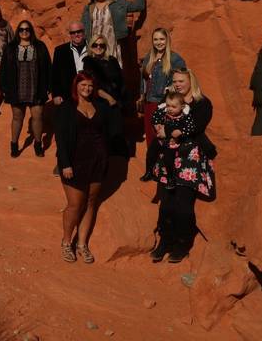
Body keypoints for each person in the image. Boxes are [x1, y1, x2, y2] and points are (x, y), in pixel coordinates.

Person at [150, 68, 217, 263]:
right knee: (166, 203)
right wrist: (160, 129)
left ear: (191, 82)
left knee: (184, 204)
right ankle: (165, 241)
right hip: (168, 158)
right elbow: (157, 120)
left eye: (182, 81)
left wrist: (167, 130)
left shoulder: (202, 103)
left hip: (189, 159)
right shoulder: (168, 100)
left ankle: (182, 243)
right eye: (176, 81)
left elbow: (194, 128)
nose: (178, 84)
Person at [55, 73, 124, 264]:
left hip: (97, 161)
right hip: (74, 162)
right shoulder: (66, 107)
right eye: (83, 85)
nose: (87, 89)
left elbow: (112, 126)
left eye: (90, 86)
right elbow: (60, 138)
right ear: (76, 86)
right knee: (75, 204)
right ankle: (67, 242)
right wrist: (65, 163)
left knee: (91, 202)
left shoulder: (100, 106)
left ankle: (82, 244)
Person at [138, 28, 186, 181]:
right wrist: (141, 95)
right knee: (151, 137)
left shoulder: (175, 59)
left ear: (167, 40)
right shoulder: (148, 58)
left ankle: (167, 171)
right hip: (149, 102)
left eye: (162, 39)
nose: (159, 42)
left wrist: (172, 90)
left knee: (163, 136)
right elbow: (143, 80)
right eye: (156, 39)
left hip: (164, 104)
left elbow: (182, 78)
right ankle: (152, 169)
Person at [0, 20, 51, 158]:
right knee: (17, 117)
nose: (24, 32)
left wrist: (48, 86)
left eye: (27, 29)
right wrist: (4, 87)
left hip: (37, 87)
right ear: (18, 32)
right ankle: (14, 144)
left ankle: (38, 144)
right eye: (21, 30)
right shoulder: (10, 48)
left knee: (37, 116)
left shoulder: (40, 46)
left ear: (31, 31)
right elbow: (3, 69)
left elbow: (47, 67)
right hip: (16, 89)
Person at [81, 0, 145, 66]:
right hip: (95, 46)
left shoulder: (118, 3)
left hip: (112, 43)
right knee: (95, 70)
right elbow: (83, 26)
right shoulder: (89, 8)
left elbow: (139, 6)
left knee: (111, 68)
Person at [149, 91, 196, 190]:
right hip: (162, 139)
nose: (170, 109)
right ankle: (149, 172)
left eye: (173, 107)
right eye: (168, 106)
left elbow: (191, 128)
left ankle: (171, 179)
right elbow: (155, 116)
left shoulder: (185, 116)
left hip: (174, 142)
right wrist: (156, 124)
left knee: (168, 158)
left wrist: (181, 131)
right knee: (151, 150)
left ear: (182, 107)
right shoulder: (164, 112)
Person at [50, 21, 88, 105]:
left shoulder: (92, 48)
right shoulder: (60, 51)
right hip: (68, 95)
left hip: (89, 92)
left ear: (84, 32)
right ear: (69, 34)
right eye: (73, 32)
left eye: (79, 31)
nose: (76, 34)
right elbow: (55, 74)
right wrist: (56, 94)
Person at [82, 35, 124, 108]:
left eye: (102, 45)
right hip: (100, 101)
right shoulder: (88, 62)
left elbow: (121, 80)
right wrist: (109, 98)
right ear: (91, 47)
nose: (98, 47)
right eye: (95, 45)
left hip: (117, 100)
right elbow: (93, 84)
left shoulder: (112, 60)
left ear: (105, 47)